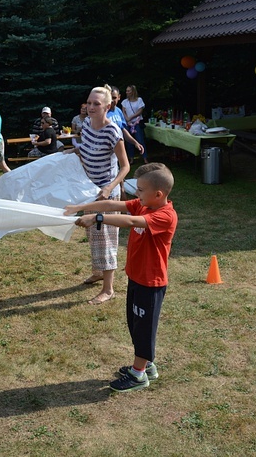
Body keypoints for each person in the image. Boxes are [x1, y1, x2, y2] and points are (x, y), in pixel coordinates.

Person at [65, 162, 177, 392]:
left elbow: (131, 222)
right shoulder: (144, 204)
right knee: (135, 324)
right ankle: (147, 366)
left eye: (141, 190)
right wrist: (82, 206)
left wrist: (98, 219)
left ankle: (138, 375)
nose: (137, 194)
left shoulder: (165, 215)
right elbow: (111, 204)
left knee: (144, 327)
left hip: (151, 283)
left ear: (158, 194)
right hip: (136, 278)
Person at [65, 84, 130, 305]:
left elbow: (125, 167)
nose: (91, 107)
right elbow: (87, 147)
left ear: (108, 106)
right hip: (89, 191)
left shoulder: (113, 131)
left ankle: (108, 289)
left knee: (106, 238)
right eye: (89, 103)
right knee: (93, 234)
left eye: (96, 104)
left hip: (106, 196)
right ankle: (98, 271)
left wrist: (110, 188)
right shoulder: (86, 123)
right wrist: (73, 151)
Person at [122, 85, 148, 163]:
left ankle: (145, 158)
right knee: (129, 140)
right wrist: (127, 119)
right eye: (126, 91)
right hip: (128, 123)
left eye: (128, 91)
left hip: (137, 122)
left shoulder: (139, 100)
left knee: (140, 140)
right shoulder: (124, 102)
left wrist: (131, 117)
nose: (127, 92)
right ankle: (131, 158)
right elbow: (124, 112)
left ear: (133, 91)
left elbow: (140, 111)